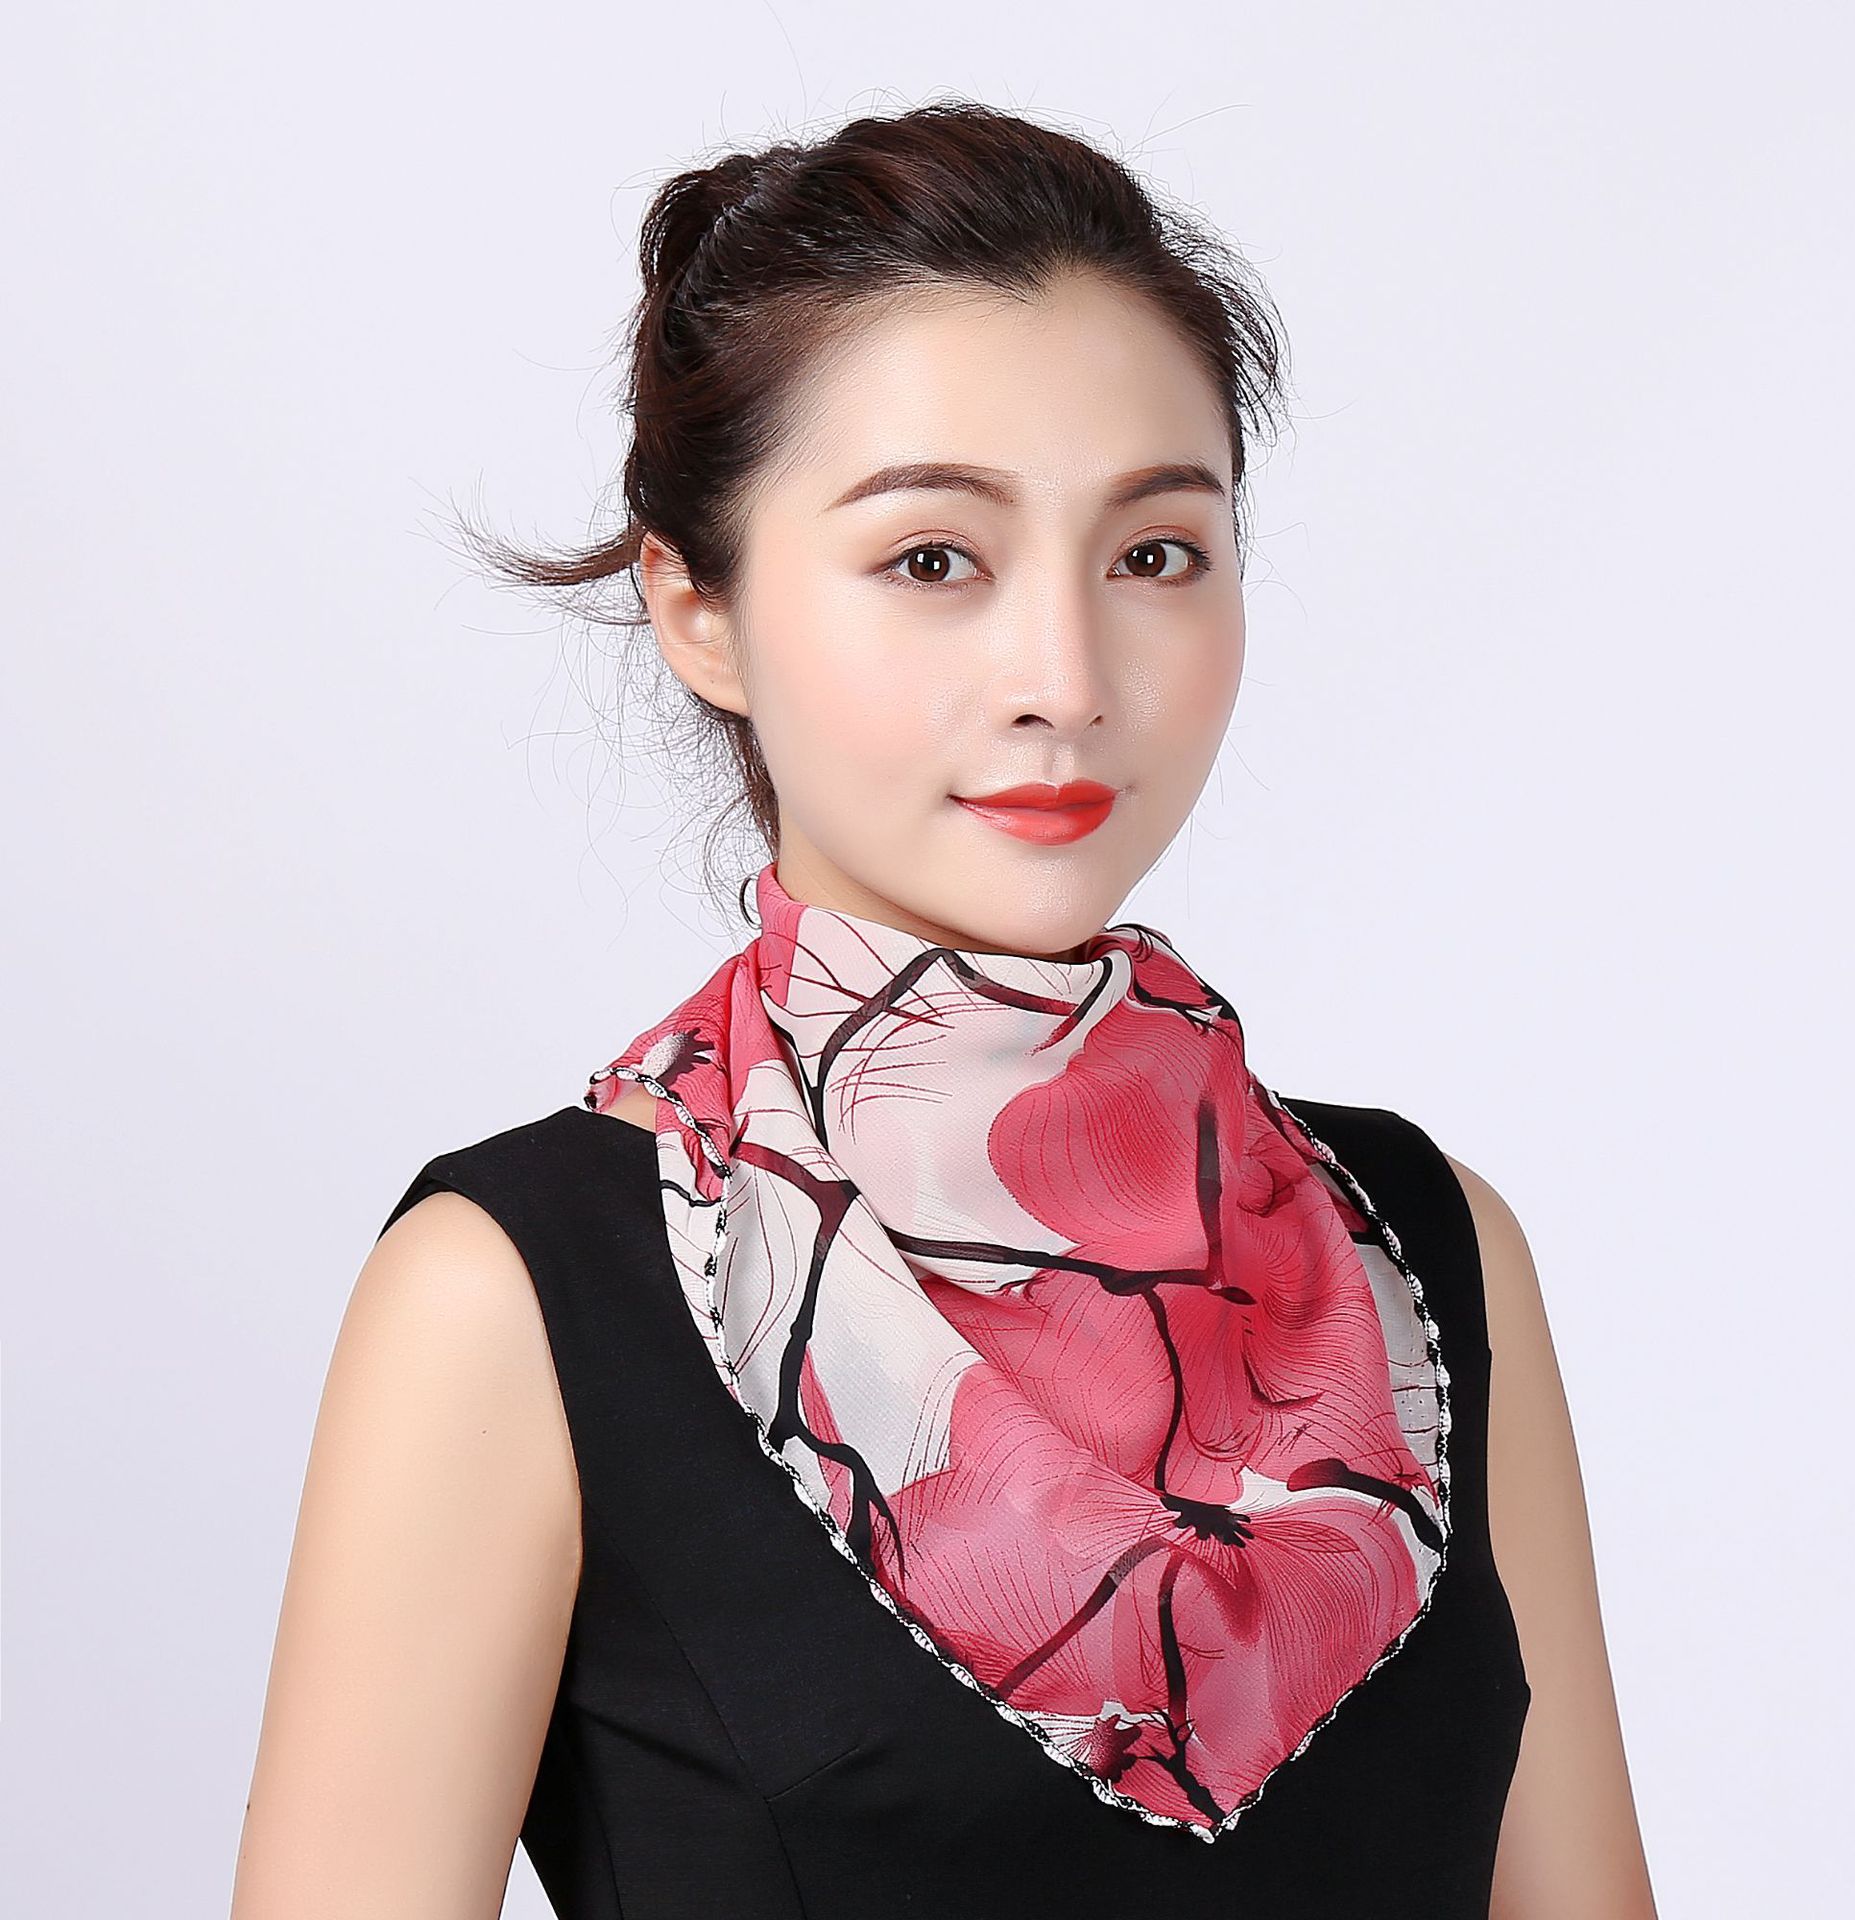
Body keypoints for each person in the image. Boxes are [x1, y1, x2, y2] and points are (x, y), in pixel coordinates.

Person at [231, 99, 1657, 1919]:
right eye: (933, 560)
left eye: (1155, 554)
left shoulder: (1429, 1255)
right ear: (697, 608)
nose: (1066, 678)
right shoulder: (516, 1295)